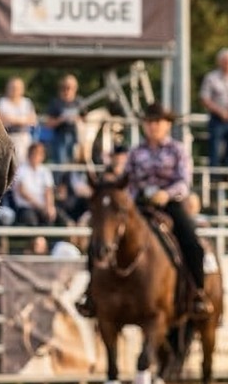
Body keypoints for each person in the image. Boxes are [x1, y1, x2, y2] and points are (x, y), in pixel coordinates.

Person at [77, 104, 210, 320]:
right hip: (138, 204)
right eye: (149, 122)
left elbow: (184, 181)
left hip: (170, 203)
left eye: (157, 122)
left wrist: (166, 194)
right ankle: (91, 293)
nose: (153, 126)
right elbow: (127, 181)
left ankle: (198, 293)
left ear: (167, 125)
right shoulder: (136, 152)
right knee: (101, 239)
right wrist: (126, 197)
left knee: (192, 243)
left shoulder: (177, 150)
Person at [199, 48, 228, 173]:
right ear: (220, 62)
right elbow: (204, 98)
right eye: (226, 61)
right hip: (217, 119)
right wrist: (220, 111)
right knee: (214, 148)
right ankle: (214, 177)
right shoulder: (211, 78)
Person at [9, 142, 58, 228]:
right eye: (34, 153)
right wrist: (40, 206)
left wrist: (49, 207)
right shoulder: (21, 170)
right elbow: (23, 192)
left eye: (39, 154)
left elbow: (48, 191)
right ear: (29, 155)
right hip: (25, 207)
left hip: (43, 207)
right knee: (32, 222)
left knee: (57, 218)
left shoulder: (45, 171)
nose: (37, 156)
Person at [41, 74, 81, 169]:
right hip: (59, 138)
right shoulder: (55, 103)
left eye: (70, 87)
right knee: (60, 165)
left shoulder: (79, 102)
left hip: (76, 137)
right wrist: (61, 119)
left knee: (75, 164)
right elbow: (48, 123)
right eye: (65, 87)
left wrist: (77, 119)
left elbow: (86, 119)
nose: (67, 90)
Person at [0, 77, 38, 165]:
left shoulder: (27, 102)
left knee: (24, 164)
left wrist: (13, 119)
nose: (15, 90)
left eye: (18, 88)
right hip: (8, 137)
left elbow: (33, 120)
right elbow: (2, 119)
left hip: (24, 137)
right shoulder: (2, 102)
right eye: (12, 87)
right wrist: (23, 120)